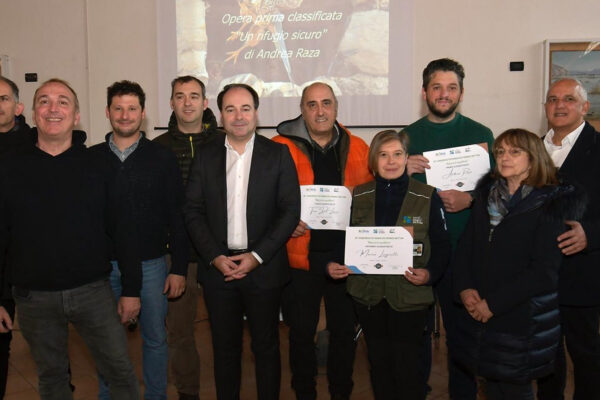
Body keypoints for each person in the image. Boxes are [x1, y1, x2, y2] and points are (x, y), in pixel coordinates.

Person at [0, 78, 140, 399]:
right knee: (51, 378)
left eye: (63, 101)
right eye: (45, 101)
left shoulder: (100, 166)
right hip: (34, 298)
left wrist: (131, 290)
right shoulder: (9, 170)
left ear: (76, 115)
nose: (53, 108)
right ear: (33, 114)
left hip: (93, 293)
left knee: (120, 372)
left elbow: (124, 230)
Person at [184, 83, 300, 399]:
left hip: (264, 270)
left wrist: (256, 256)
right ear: (220, 115)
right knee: (224, 349)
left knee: (266, 346)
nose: (238, 116)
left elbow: (290, 211)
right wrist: (214, 257)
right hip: (218, 271)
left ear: (256, 113)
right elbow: (192, 210)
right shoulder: (205, 156)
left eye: (245, 108)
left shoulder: (278, 154)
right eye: (231, 109)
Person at [452, 129, 585, 400]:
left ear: (534, 158)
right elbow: (466, 248)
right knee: (492, 386)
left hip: (522, 316)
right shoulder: (487, 195)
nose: (505, 157)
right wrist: (465, 289)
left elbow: (544, 272)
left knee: (515, 390)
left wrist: (493, 304)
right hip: (483, 313)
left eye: (514, 151)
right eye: (500, 151)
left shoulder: (551, 201)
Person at [327, 129, 450, 400]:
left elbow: (442, 247)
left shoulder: (428, 196)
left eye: (397, 154)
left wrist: (429, 274)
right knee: (379, 365)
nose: (391, 161)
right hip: (368, 295)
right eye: (383, 155)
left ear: (407, 159)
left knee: (409, 368)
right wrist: (334, 264)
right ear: (373, 161)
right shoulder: (359, 195)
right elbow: (345, 240)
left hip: (410, 297)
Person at [273, 82, 372, 400]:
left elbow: (371, 199)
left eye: (326, 103)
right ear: (301, 109)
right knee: (301, 334)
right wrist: (284, 224)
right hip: (299, 257)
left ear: (336, 107)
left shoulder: (359, 147)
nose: (320, 110)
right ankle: (304, 393)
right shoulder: (278, 147)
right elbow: (264, 200)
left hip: (345, 258)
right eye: (312, 104)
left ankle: (341, 392)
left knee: (344, 334)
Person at [90, 80, 188, 400]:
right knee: (107, 342)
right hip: (102, 268)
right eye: (118, 108)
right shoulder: (90, 159)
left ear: (143, 113)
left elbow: (177, 215)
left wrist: (180, 268)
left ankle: (155, 396)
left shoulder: (162, 158)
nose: (125, 114)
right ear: (107, 112)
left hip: (152, 265)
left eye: (132, 108)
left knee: (155, 339)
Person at [403, 58, 494, 399]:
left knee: (463, 338)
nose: (444, 94)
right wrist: (402, 171)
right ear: (424, 91)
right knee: (416, 336)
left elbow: (499, 192)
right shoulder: (408, 136)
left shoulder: (480, 134)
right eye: (437, 87)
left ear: (461, 93)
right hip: (420, 252)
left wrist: (470, 199)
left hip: (465, 252)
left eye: (451, 87)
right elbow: (389, 194)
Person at [153, 75, 217, 400]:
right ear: (171, 103)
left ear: (205, 103)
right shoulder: (157, 149)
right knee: (179, 332)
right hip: (177, 256)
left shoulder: (223, 142)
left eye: (194, 96)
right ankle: (188, 393)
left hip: (220, 253)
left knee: (226, 331)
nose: (188, 102)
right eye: (180, 96)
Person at [536, 78, 600, 400]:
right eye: (552, 99)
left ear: (584, 107)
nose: (559, 105)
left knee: (586, 354)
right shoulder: (532, 149)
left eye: (569, 99)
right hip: (538, 274)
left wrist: (592, 233)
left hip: (583, 272)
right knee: (546, 354)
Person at [0, 76, 30, 399]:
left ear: (18, 107)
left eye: (4, 99)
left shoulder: (34, 143)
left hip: (30, 252)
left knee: (50, 335)